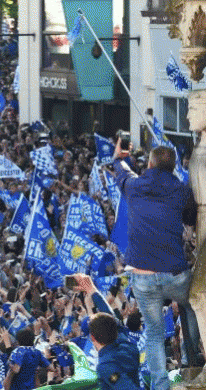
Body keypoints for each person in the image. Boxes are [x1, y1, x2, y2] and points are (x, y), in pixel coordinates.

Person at [113, 141, 200, 390]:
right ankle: (191, 362)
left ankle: (160, 385)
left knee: (153, 333)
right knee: (190, 306)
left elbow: (121, 171)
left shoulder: (134, 185)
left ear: (149, 163)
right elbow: (190, 219)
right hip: (175, 275)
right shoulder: (181, 190)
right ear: (173, 167)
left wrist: (119, 157)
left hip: (142, 278)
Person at [72, 274, 140, 389]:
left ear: (92, 338)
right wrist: (91, 289)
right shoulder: (127, 346)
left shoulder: (106, 365)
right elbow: (112, 319)